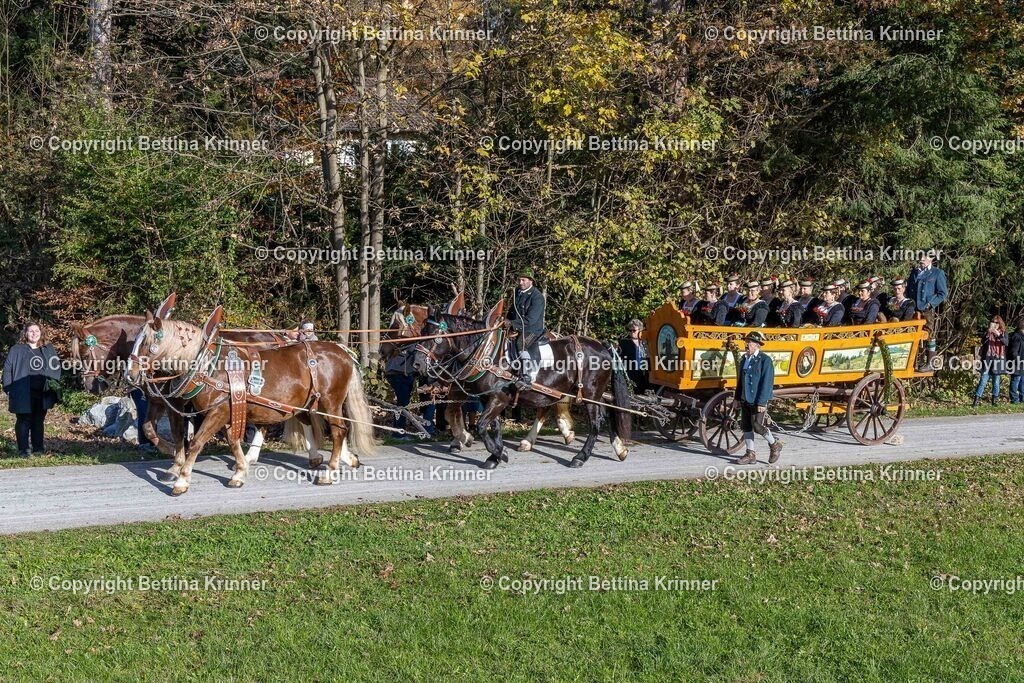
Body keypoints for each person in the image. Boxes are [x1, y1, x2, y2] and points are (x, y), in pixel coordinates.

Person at [2, 322, 62, 456]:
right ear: (25, 333)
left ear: (41, 333)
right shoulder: (16, 349)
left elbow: (56, 368)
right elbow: (7, 370)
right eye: (31, 331)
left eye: (36, 331)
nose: (34, 333)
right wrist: (9, 389)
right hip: (22, 392)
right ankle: (23, 450)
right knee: (24, 420)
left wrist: (53, 385)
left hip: (43, 393)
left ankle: (38, 449)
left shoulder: (48, 349)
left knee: (38, 421)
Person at [734, 331, 783, 465]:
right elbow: (740, 381)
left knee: (757, 426)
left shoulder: (765, 360)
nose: (747, 344)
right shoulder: (744, 359)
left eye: (749, 342)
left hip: (757, 400)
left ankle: (774, 445)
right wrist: (737, 398)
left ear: (757, 345)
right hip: (745, 398)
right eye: (746, 342)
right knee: (746, 426)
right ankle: (750, 454)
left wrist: (762, 401)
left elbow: (767, 382)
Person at [907, 252, 948, 367]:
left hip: (927, 309)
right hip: (913, 309)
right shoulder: (914, 272)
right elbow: (908, 290)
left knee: (929, 335)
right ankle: (915, 361)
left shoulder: (937, 273)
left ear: (931, 259)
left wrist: (930, 304)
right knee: (914, 334)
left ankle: (930, 363)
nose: (922, 259)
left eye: (925, 257)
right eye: (920, 257)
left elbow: (942, 293)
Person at [510, 268, 546, 387]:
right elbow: (512, 311)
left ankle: (527, 375)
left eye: (523, 280)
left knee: (521, 343)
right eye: (519, 280)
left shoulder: (537, 297)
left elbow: (531, 320)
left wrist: (512, 324)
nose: (520, 283)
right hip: (518, 327)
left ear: (531, 281)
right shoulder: (518, 292)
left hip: (533, 329)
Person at [973, 315, 1008, 407]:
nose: (994, 324)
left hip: (998, 360)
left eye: (996, 322)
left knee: (996, 381)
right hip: (987, 360)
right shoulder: (988, 332)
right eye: (993, 322)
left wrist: (998, 335)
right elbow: (982, 342)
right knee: (983, 380)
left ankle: (994, 401)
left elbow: (1006, 342)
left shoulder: (1003, 333)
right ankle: (976, 400)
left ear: (1000, 323)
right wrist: (988, 333)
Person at [618, 319, 649, 391]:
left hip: (643, 377)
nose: (632, 332)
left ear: (640, 331)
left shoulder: (645, 343)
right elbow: (619, 359)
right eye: (630, 330)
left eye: (634, 330)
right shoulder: (624, 343)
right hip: (630, 377)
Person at [1009, 318, 1024, 404]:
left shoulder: (1022, 337)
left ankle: (1022, 398)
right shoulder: (1016, 336)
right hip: (1016, 363)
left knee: (1022, 382)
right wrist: (1018, 362)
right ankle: (1014, 399)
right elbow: (1013, 351)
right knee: (1015, 381)